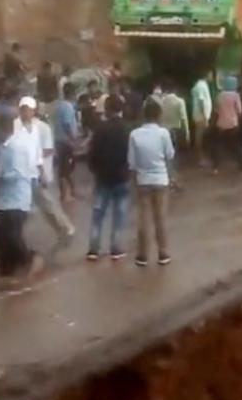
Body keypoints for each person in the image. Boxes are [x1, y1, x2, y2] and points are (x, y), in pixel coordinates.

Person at [14, 96, 76, 253]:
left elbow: (49, 150)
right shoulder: (17, 126)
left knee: (47, 205)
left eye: (27, 109)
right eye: (22, 109)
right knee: (37, 206)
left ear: (34, 111)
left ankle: (66, 229)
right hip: (23, 173)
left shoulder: (42, 128)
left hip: (39, 173)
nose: (24, 112)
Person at [0, 117, 43, 289]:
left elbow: (18, 174)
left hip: (16, 199)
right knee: (1, 240)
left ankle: (31, 259)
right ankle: (5, 274)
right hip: (4, 201)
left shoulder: (15, 148)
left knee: (12, 237)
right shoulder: (5, 148)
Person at [129, 100, 175, 267]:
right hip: (161, 180)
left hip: (143, 181)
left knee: (143, 218)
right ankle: (163, 253)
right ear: (158, 115)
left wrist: (134, 183)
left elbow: (132, 163)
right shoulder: (164, 133)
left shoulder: (134, 134)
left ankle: (142, 255)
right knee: (160, 217)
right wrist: (172, 178)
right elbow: (169, 156)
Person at [86, 95, 131, 261]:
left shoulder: (99, 129)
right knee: (119, 215)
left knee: (98, 214)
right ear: (121, 109)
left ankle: (93, 248)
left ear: (106, 109)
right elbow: (130, 154)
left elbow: (91, 154)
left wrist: (95, 169)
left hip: (102, 177)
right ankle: (116, 248)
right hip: (121, 177)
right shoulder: (126, 129)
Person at [54, 83, 82, 202]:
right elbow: (67, 124)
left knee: (65, 168)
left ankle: (70, 191)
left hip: (60, 140)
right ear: (72, 94)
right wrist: (73, 139)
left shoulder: (60, 105)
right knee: (66, 168)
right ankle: (65, 194)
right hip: (65, 141)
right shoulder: (68, 107)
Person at [214, 76, 242, 173]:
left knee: (219, 146)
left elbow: (216, 110)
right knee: (235, 146)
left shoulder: (220, 95)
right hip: (233, 124)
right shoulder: (236, 95)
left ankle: (215, 167)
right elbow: (240, 110)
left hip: (221, 124)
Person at [159, 84, 190, 158]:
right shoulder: (180, 101)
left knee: (165, 152)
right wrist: (186, 132)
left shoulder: (161, 101)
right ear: (175, 91)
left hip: (164, 129)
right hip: (176, 129)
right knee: (175, 151)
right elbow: (183, 118)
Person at [189, 75, 213, 164]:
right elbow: (201, 101)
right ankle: (200, 158)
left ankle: (202, 157)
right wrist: (205, 116)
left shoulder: (200, 85)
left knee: (201, 137)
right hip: (201, 116)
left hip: (201, 116)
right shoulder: (201, 86)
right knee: (200, 137)